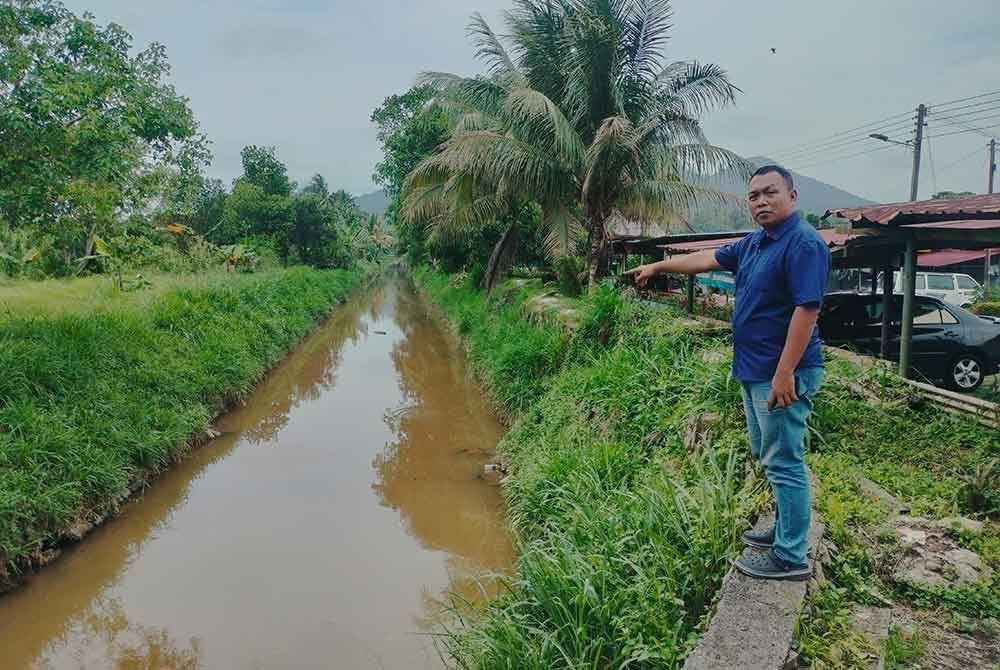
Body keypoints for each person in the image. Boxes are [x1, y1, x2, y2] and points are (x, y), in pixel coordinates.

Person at [627, 165, 831, 580]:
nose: (760, 201)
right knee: (769, 454)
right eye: (754, 195)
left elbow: (807, 309)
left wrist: (785, 372)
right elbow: (705, 258)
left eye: (770, 192)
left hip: (782, 374)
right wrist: (658, 268)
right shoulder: (755, 243)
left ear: (792, 197)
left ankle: (791, 556)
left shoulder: (804, 243)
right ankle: (786, 528)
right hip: (755, 370)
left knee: (784, 460)